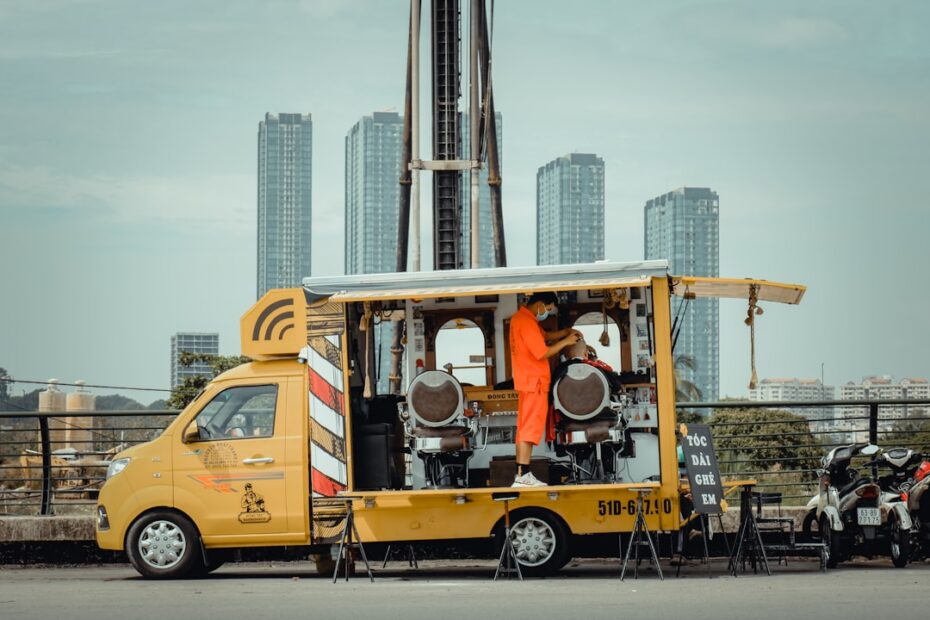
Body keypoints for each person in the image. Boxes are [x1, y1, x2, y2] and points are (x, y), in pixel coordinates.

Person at [509, 291, 580, 487]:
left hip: (527, 382)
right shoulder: (527, 322)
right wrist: (566, 342)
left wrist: (565, 332)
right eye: (548, 309)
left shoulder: (521, 318)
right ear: (540, 304)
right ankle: (523, 475)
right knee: (529, 430)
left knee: (524, 429)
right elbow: (542, 352)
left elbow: (546, 336)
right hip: (535, 383)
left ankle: (521, 474)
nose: (547, 313)